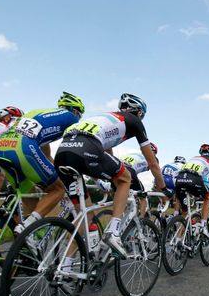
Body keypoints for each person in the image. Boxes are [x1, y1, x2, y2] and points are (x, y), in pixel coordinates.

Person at [54, 93, 170, 257]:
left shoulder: (106, 118)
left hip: (63, 151)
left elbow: (108, 155)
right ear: (139, 113)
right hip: (88, 147)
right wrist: (163, 189)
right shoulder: (134, 121)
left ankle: (64, 268)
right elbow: (152, 163)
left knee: (85, 219)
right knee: (125, 179)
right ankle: (113, 232)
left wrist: (104, 181)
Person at [0, 92, 83, 235]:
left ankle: (29, 242)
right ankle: (26, 228)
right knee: (58, 189)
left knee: (32, 197)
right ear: (75, 110)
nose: (78, 118)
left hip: (2, 148)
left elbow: (47, 155)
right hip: (23, 148)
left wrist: (56, 173)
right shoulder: (71, 118)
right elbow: (75, 148)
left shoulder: (39, 113)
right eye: (80, 115)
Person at [174, 144, 209, 239]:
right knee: (207, 197)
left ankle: (177, 240)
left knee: (184, 214)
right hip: (193, 179)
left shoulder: (194, 158)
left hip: (179, 180)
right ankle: (203, 225)